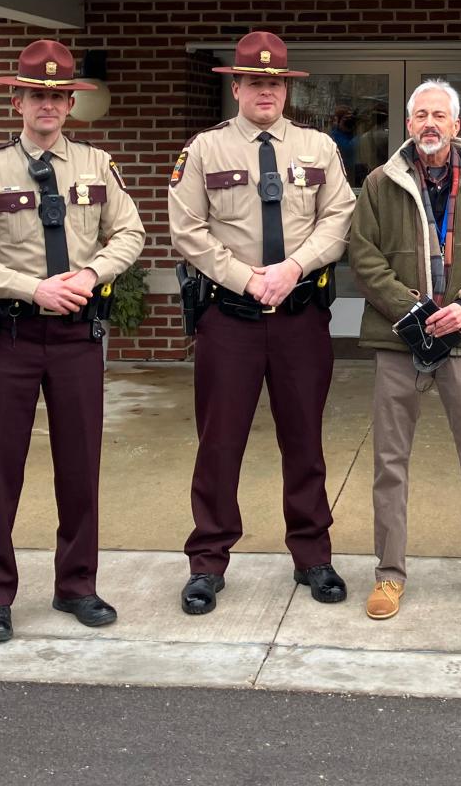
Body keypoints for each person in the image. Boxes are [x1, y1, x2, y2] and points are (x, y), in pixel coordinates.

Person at [0, 39, 146, 644]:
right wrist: (32, 289)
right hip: (11, 335)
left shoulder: (96, 166)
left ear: (70, 104)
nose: (50, 107)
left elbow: (130, 232)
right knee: (0, 469)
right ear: (18, 100)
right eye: (39, 95)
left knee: (79, 465)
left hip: (76, 338)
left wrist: (89, 275)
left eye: (60, 97)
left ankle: (77, 586)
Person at [168, 30, 356, 614]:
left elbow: (339, 216)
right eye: (254, 82)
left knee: (304, 441)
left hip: (300, 316)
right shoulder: (205, 149)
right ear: (237, 87)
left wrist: (293, 266)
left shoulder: (318, 148)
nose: (264, 91)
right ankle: (207, 561)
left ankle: (312, 555)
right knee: (218, 443)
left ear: (287, 88)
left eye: (274, 82)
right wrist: (247, 278)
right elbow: (187, 229)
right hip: (230, 318)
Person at [349, 79, 461, 621]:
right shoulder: (380, 183)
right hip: (399, 340)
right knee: (390, 462)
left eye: (439, 115)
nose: (430, 124)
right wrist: (412, 310)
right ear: (408, 125)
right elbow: (363, 253)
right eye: (420, 115)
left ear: (456, 125)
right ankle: (389, 574)